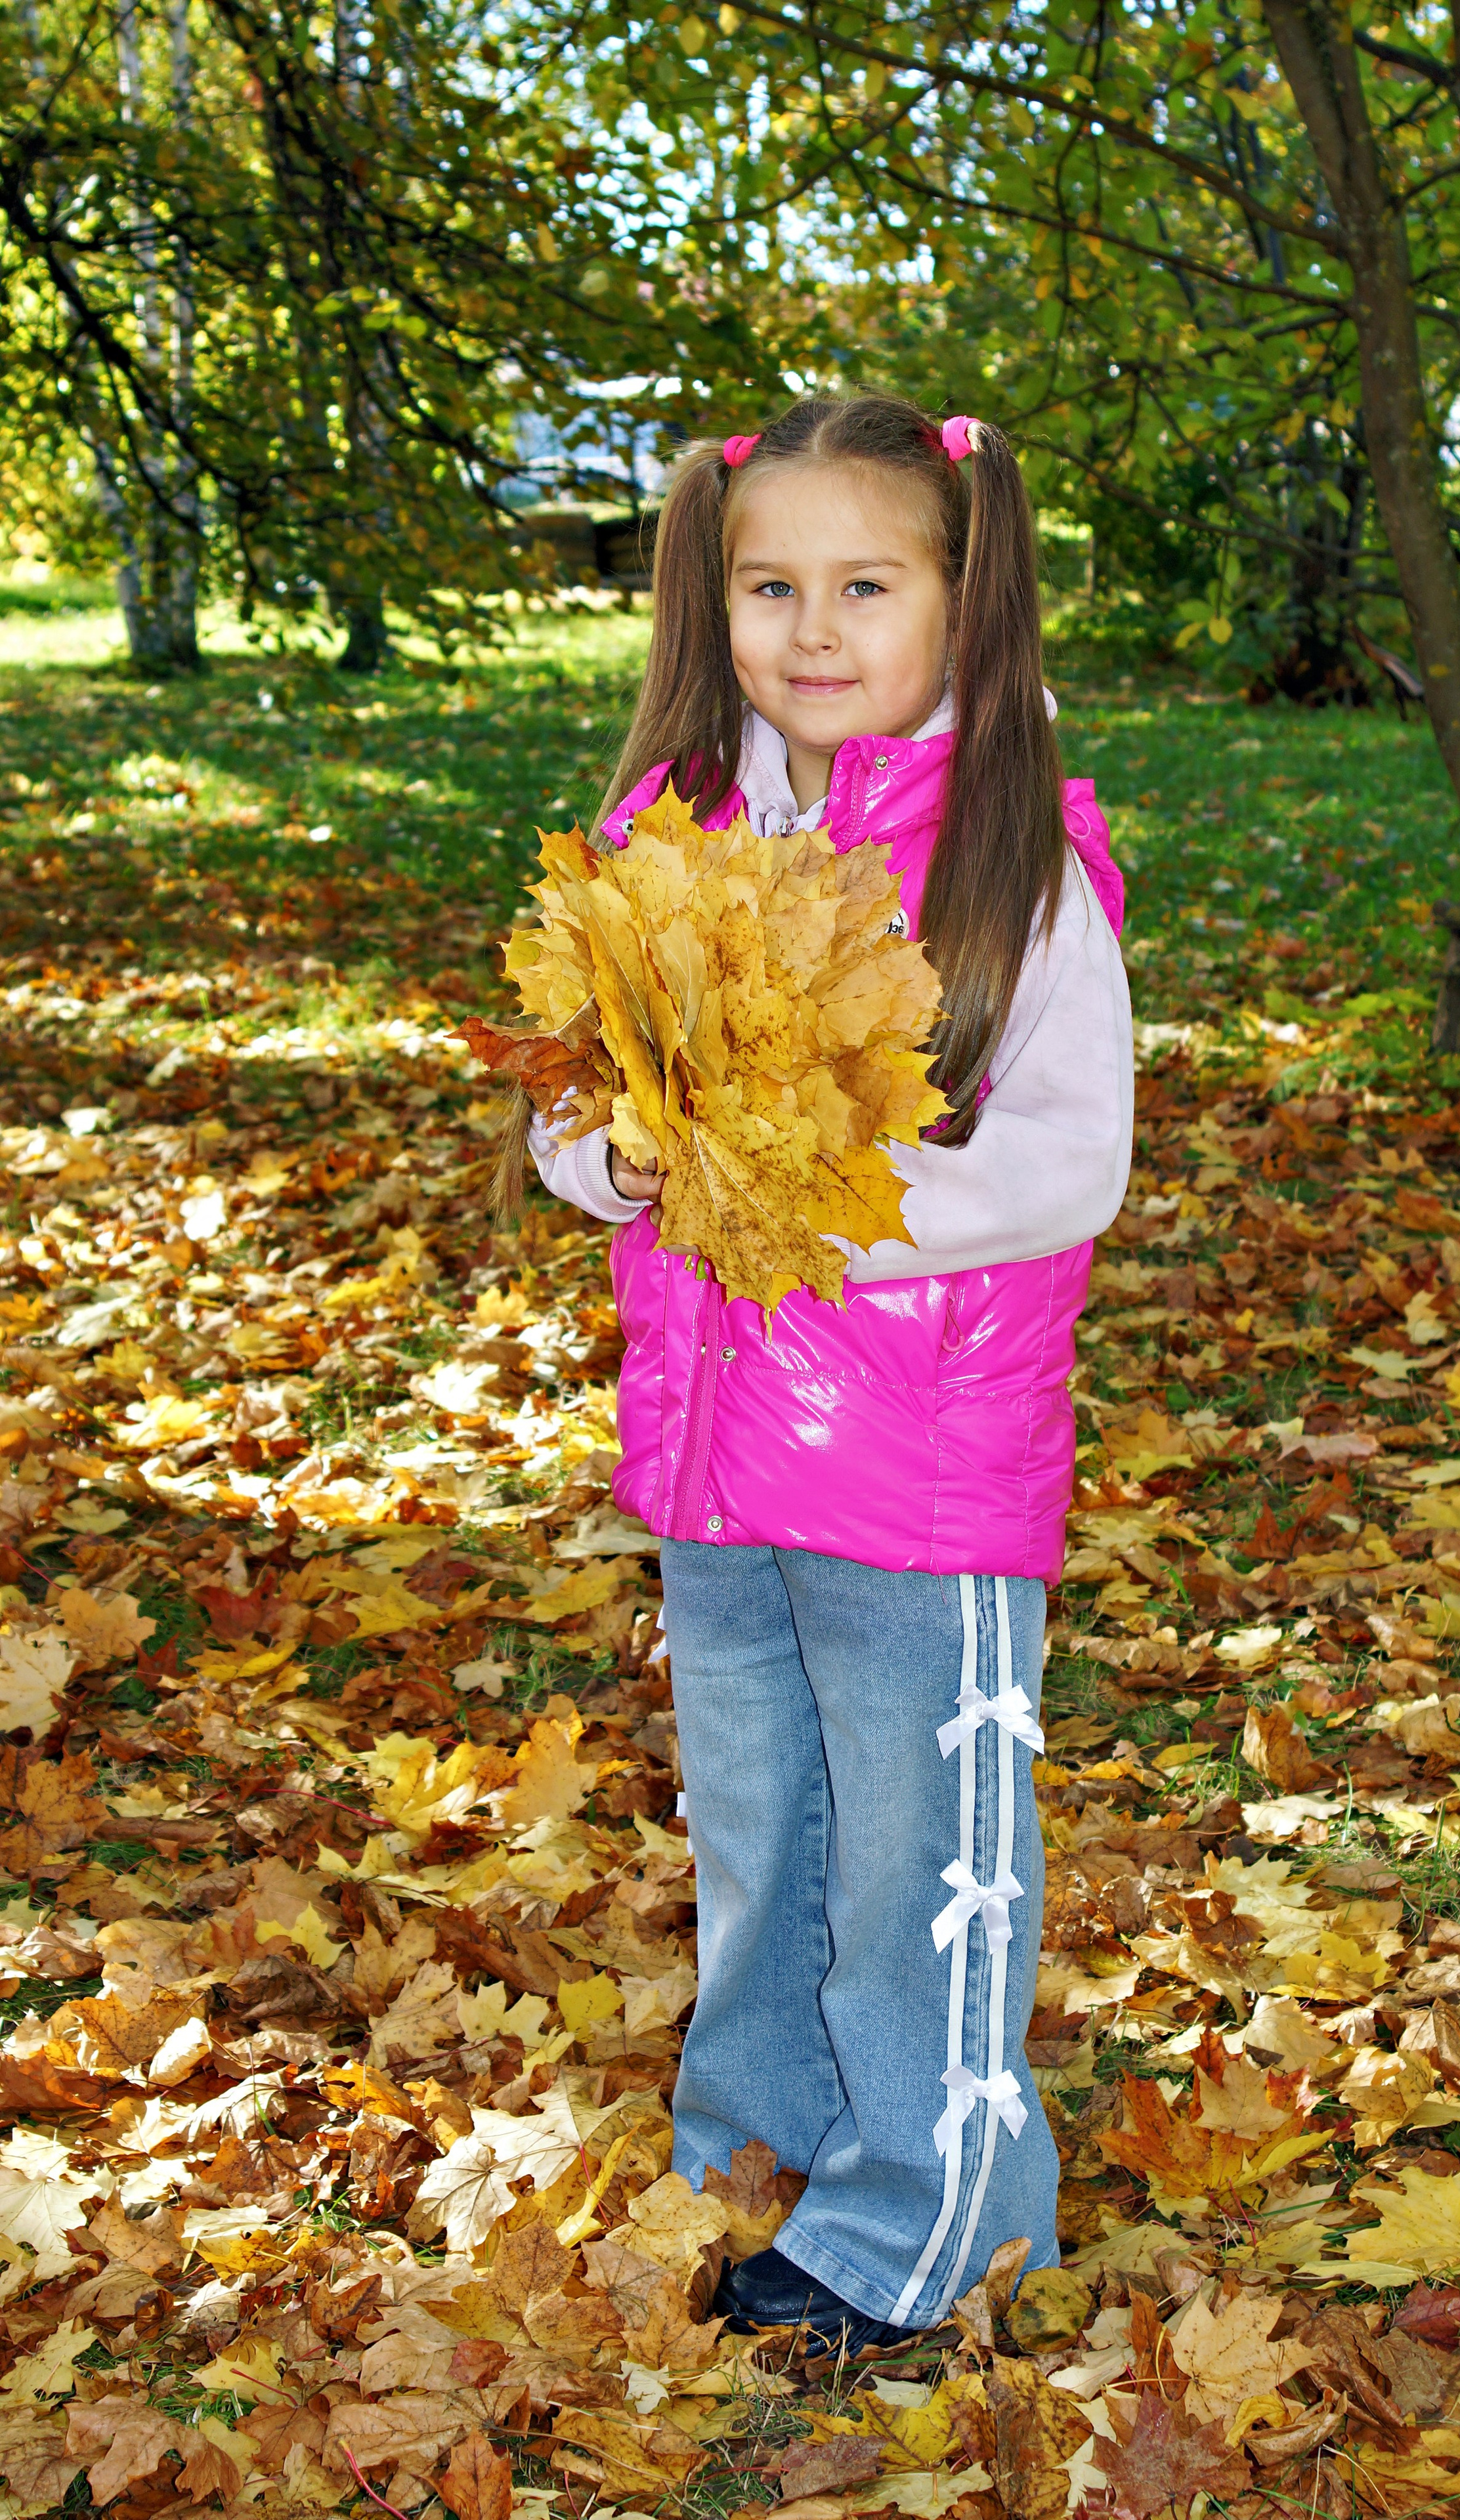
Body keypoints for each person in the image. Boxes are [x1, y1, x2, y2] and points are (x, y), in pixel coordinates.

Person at [507, 394, 1132, 2353]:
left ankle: (924, 2220)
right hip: (712, 1456)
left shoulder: (1009, 846)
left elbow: (1067, 1157)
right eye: (769, 585)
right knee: (763, 1823)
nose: (812, 627)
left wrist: (808, 1208)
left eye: (867, 584)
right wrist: (611, 1156)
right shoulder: (671, 823)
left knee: (920, 1857)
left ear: (965, 596)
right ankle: (756, 2145)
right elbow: (583, 1099)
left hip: (923, 1467)